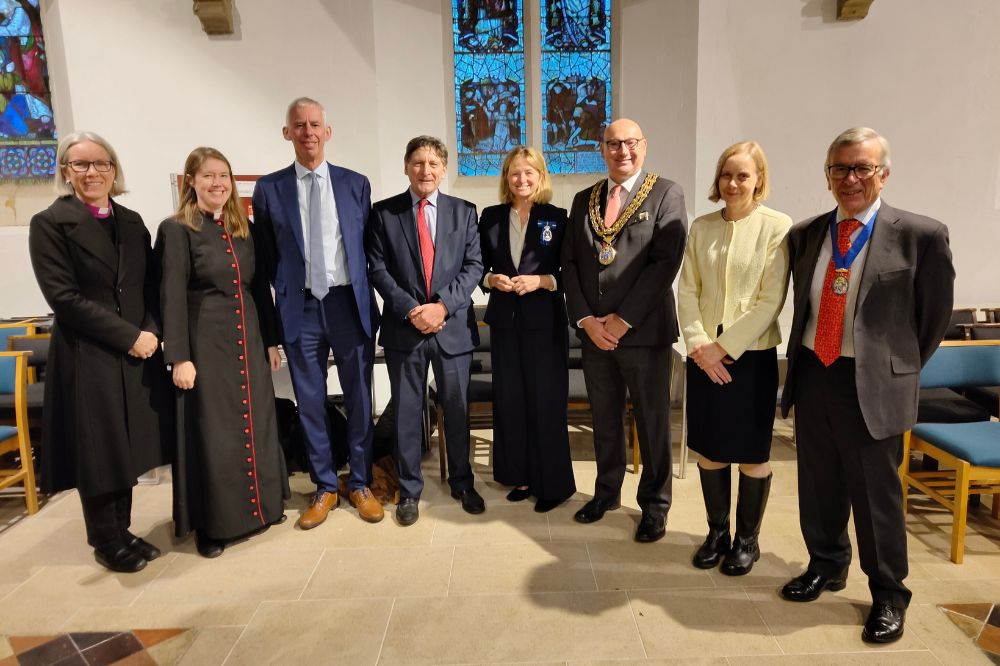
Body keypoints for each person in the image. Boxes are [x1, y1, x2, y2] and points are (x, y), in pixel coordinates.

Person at [779, 127, 954, 643]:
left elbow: (932, 318)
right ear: (828, 175)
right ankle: (826, 564)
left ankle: (887, 594)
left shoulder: (920, 234)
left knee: (876, 498)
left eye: (862, 168)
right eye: (839, 169)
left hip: (873, 385)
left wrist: (892, 369)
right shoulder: (808, 232)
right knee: (818, 485)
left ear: (883, 173)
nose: (850, 179)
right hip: (815, 374)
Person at [28, 131, 170, 573]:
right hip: (88, 352)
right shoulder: (51, 222)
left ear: (114, 170)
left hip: (134, 352)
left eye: (100, 164)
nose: (92, 173)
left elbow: (149, 287)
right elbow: (64, 298)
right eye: (81, 164)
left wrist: (150, 329)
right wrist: (129, 335)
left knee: (123, 445)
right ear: (66, 172)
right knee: (98, 449)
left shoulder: (131, 221)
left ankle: (123, 530)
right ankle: (105, 539)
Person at [253, 97, 383, 528]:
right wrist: (291, 291)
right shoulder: (269, 189)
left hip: (349, 304)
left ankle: (360, 482)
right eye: (299, 125)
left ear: (327, 132)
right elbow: (266, 257)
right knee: (309, 402)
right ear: (287, 132)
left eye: (315, 124)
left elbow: (367, 246)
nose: (308, 132)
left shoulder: (355, 184)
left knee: (361, 400)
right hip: (301, 307)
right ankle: (325, 487)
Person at [156, 147, 289, 558]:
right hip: (205, 341)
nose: (217, 183)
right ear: (191, 181)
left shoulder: (242, 228)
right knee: (214, 434)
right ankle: (214, 525)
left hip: (247, 337)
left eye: (224, 176)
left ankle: (264, 508)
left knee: (258, 422)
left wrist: (271, 340)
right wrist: (178, 356)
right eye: (208, 176)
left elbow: (260, 291)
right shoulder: (177, 229)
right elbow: (171, 296)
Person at [561, 118, 687, 543]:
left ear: (644, 146)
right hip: (595, 334)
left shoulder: (666, 193)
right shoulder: (585, 199)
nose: (622, 151)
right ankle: (606, 492)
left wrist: (622, 318)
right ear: (602, 149)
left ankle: (655, 505)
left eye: (629, 143)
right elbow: (571, 264)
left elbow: (664, 263)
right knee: (605, 420)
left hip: (645, 332)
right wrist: (586, 320)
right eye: (613, 144)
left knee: (652, 422)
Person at [677, 141, 791, 575]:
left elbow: (770, 300)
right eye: (727, 174)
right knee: (710, 450)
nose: (733, 183)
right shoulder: (702, 227)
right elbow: (687, 291)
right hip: (702, 352)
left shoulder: (777, 227)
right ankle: (716, 533)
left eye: (743, 175)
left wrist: (720, 350)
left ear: (759, 179)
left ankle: (747, 540)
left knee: (752, 453)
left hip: (752, 356)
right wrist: (699, 345)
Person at [367, 135, 485, 526]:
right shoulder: (384, 213)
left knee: (457, 409)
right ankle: (410, 489)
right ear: (406, 166)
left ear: (444, 169)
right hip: (406, 329)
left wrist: (442, 307)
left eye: (433, 164)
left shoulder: (464, 211)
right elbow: (378, 269)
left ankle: (463, 482)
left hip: (451, 329)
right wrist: (412, 309)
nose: (425, 171)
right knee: (406, 414)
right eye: (418, 163)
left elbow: (473, 266)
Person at [479, 146, 576, 513]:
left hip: (544, 324)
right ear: (507, 177)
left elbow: (570, 272)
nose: (521, 179)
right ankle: (520, 475)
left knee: (546, 402)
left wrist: (542, 281)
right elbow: (476, 265)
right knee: (511, 401)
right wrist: (490, 279)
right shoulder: (489, 217)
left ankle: (552, 484)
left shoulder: (558, 217)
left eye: (529, 173)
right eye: (515, 173)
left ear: (540, 176)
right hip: (504, 323)